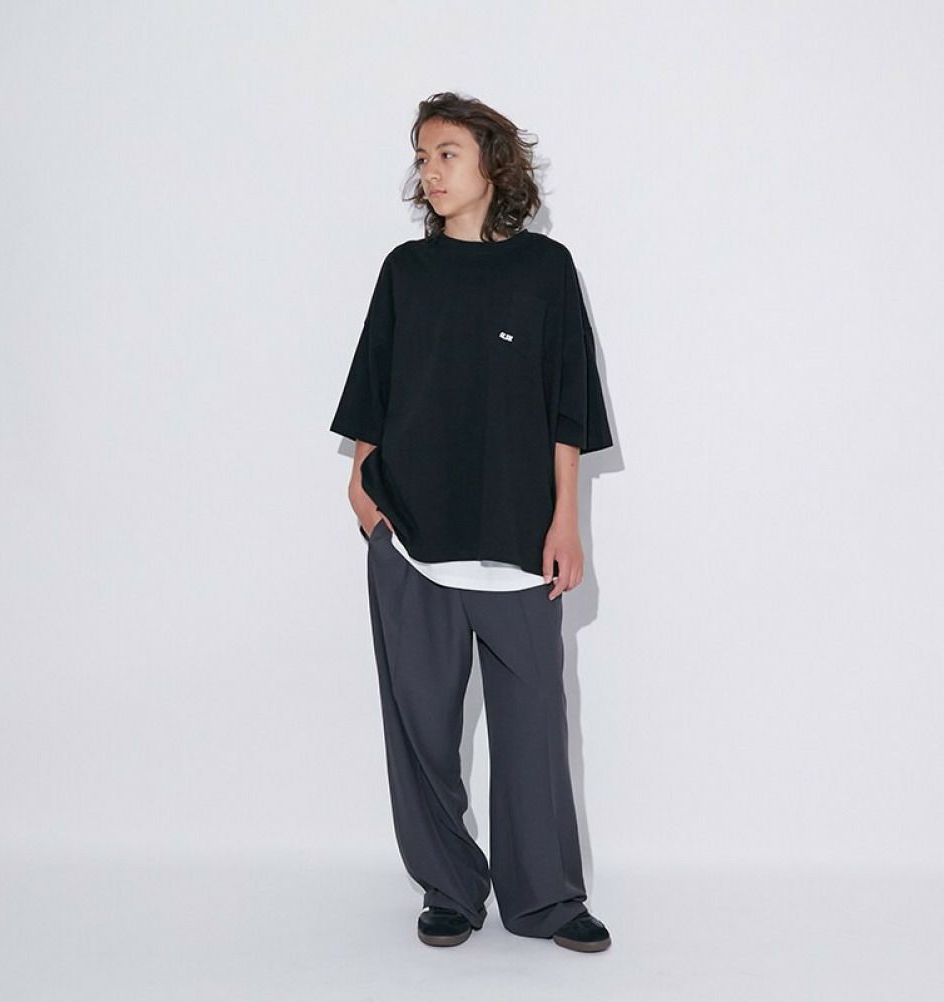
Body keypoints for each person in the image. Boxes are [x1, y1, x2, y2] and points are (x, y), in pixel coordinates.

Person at [329, 92, 615, 953]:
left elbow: (567, 408)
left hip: (520, 541)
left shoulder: (546, 270)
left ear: (492, 162)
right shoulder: (405, 272)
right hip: (412, 537)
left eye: (446, 153)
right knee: (421, 729)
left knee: (534, 730)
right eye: (422, 157)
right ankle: (449, 888)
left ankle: (547, 899)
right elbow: (373, 385)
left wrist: (566, 521)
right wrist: (362, 491)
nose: (430, 171)